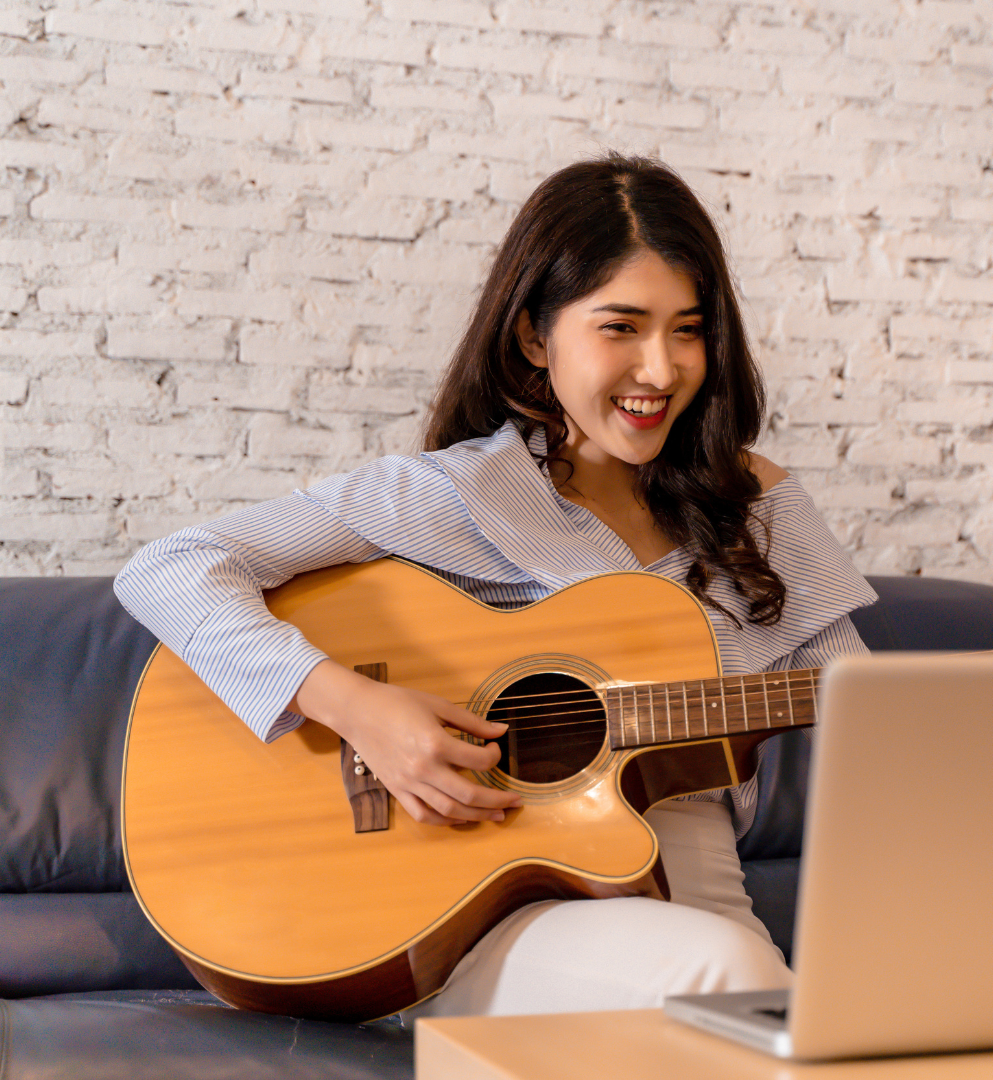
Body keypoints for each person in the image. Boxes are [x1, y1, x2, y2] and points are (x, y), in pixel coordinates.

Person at [114, 152, 879, 1017]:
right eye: (621, 328)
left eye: (688, 330)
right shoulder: (457, 493)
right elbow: (171, 568)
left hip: (696, 904)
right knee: (718, 979)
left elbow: (877, 717)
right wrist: (358, 709)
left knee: (787, 1017)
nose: (662, 370)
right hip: (465, 922)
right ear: (532, 337)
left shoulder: (756, 504)